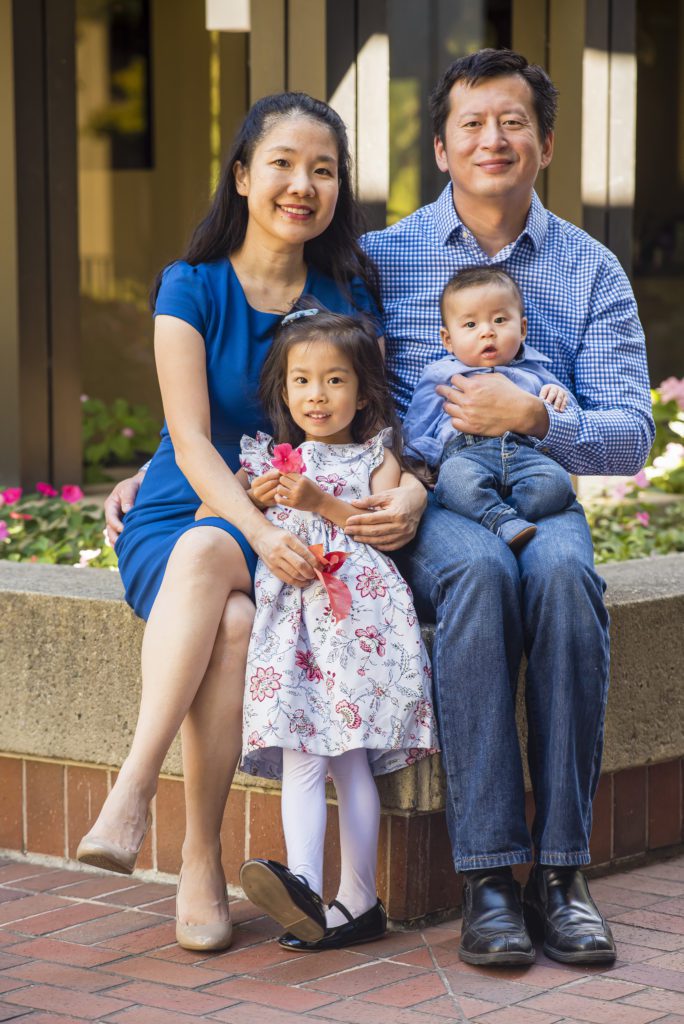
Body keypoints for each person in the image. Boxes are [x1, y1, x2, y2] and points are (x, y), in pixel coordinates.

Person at [77, 91, 425, 952]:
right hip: (199, 507)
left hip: (298, 518)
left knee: (236, 617)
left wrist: (406, 486)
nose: (301, 184)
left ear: (338, 188)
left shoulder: (348, 292)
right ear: (242, 176)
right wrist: (259, 532)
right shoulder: (189, 286)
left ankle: (181, 835)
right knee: (211, 569)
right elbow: (192, 438)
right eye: (282, 164)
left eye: (323, 170)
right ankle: (152, 807)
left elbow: (371, 421)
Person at [361, 49, 654, 966]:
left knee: (565, 574)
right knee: (484, 574)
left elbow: (633, 433)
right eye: (474, 124)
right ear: (442, 148)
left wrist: (534, 416)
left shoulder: (591, 268)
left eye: (514, 121)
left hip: (539, 480)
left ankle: (561, 875)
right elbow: (307, 386)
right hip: (436, 495)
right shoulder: (382, 259)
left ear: (546, 143)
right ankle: (488, 877)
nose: (495, 138)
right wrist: (170, 463)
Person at [221, 307, 435, 951]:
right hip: (292, 631)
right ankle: (305, 891)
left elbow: (377, 531)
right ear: (283, 391)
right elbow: (218, 505)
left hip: (354, 625)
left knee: (347, 761)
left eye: (336, 380)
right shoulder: (269, 458)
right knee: (300, 756)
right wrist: (253, 496)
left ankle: (359, 897)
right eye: (303, 381)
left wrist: (316, 501)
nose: (318, 395)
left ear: (363, 389)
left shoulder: (377, 457)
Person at [403, 265, 576, 551]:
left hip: (524, 455)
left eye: (499, 320)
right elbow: (419, 423)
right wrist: (418, 463)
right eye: (471, 325)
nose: (487, 332)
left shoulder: (535, 372)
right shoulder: (440, 375)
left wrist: (555, 394)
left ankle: (503, 517)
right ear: (448, 339)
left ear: (522, 329)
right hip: (466, 454)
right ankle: (501, 520)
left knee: (557, 482)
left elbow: (564, 407)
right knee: (455, 481)